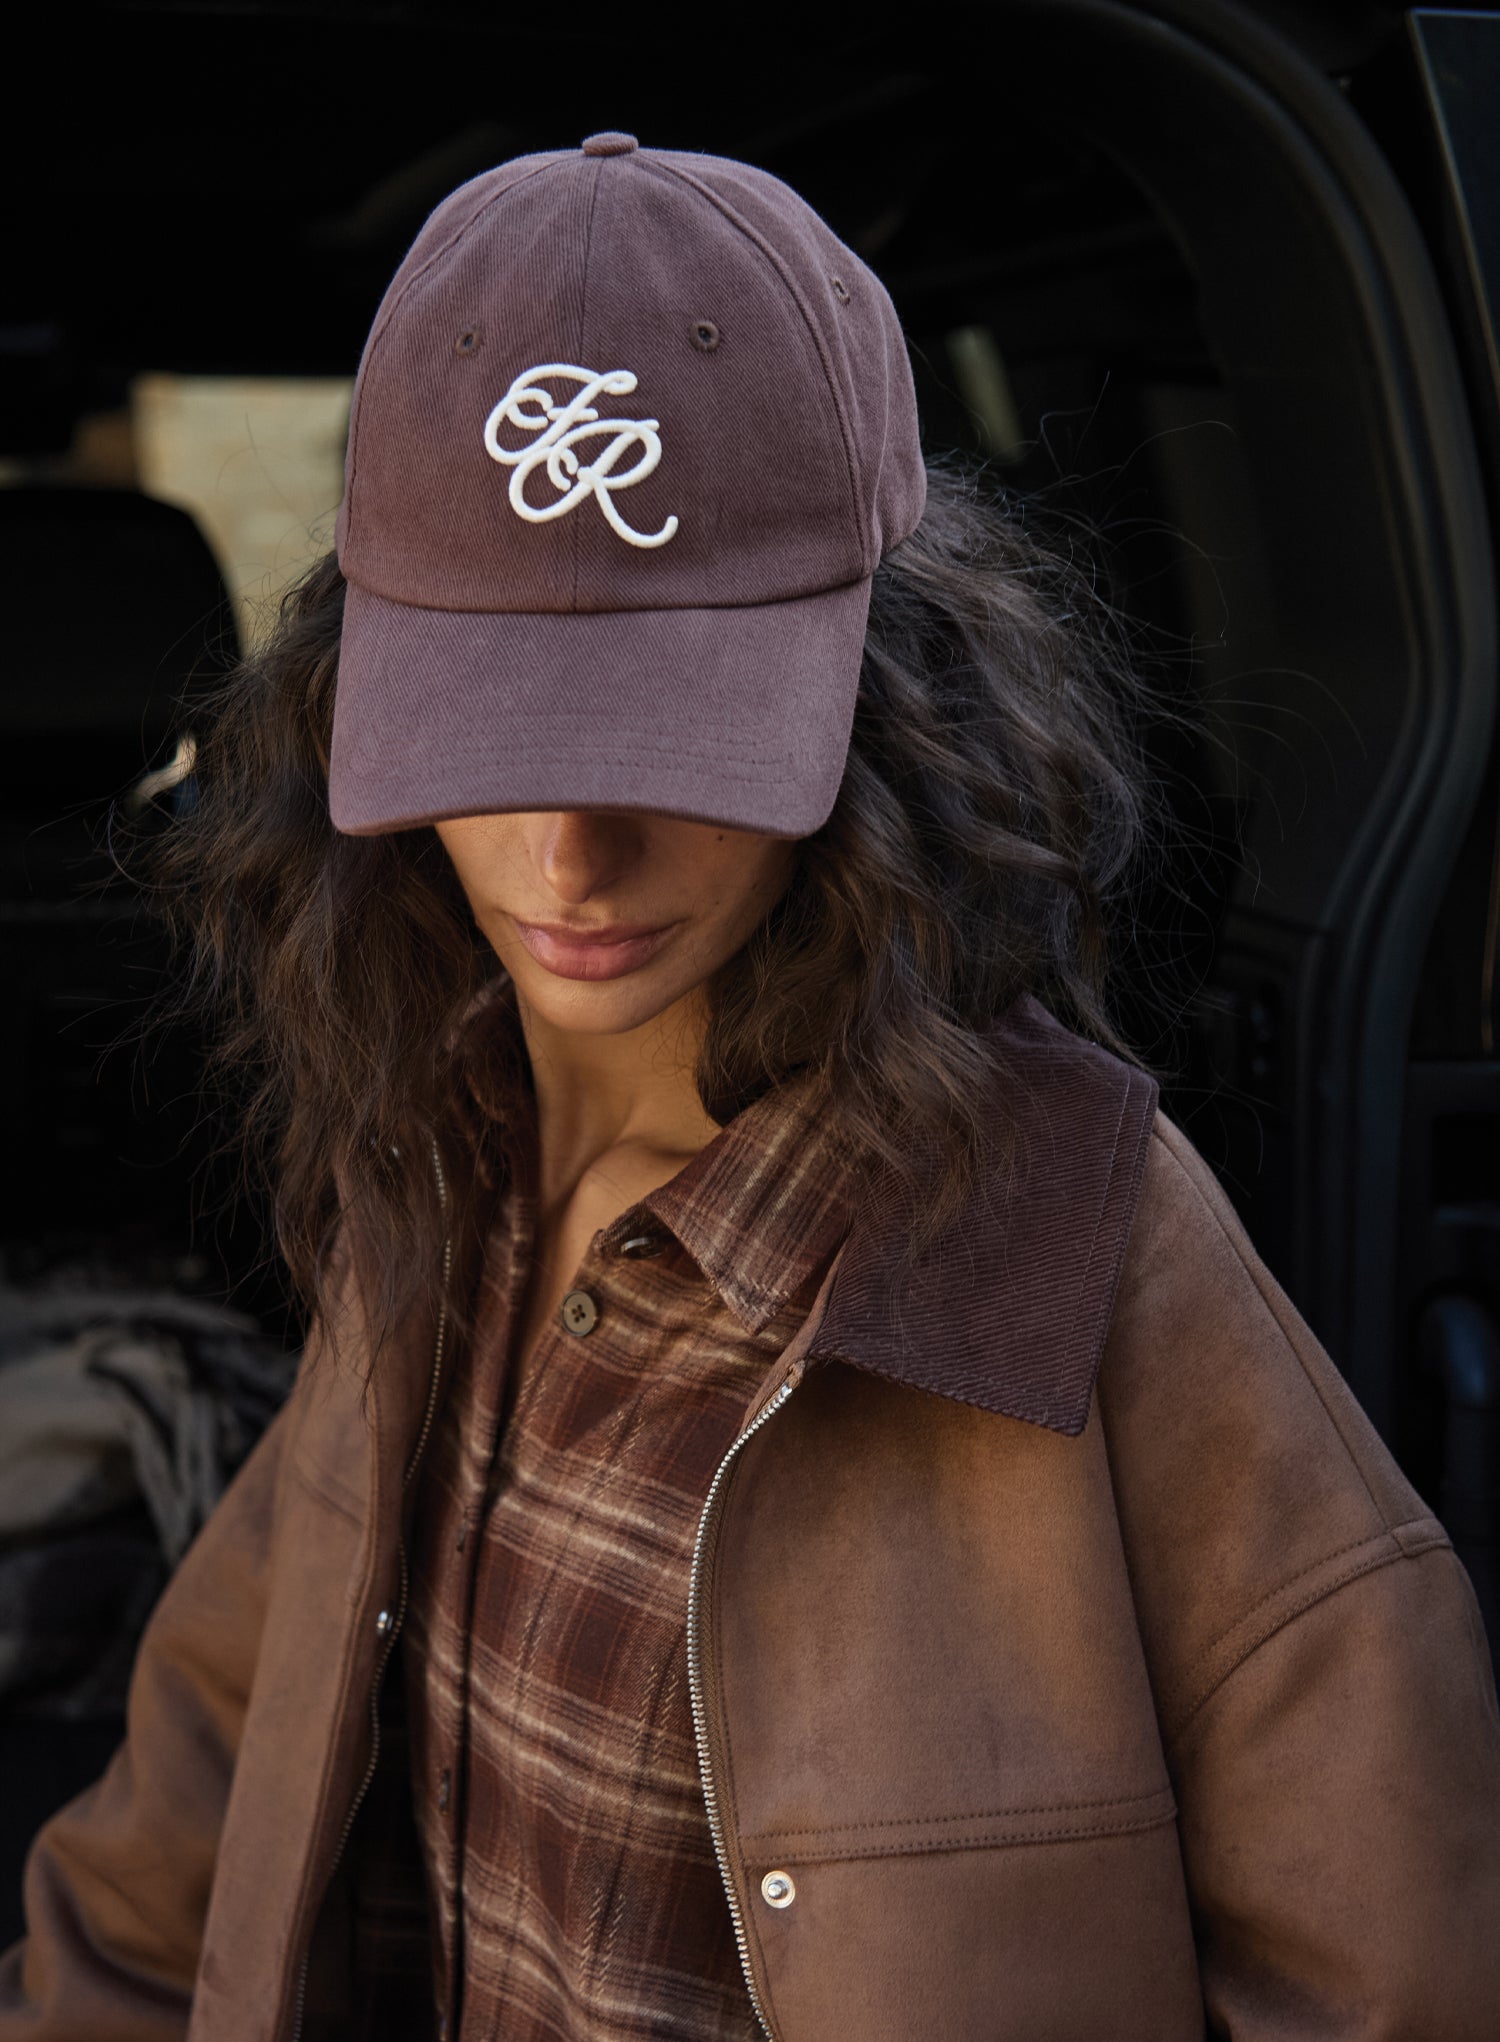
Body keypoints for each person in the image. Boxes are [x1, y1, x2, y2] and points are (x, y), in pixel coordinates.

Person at [3, 131, 1499, 2042]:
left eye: (675, 741)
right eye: (492, 739)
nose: (569, 859)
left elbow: (1400, 1976)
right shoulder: (439, 1150)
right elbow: (201, 1786)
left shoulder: (1075, 1242)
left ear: (893, 708)